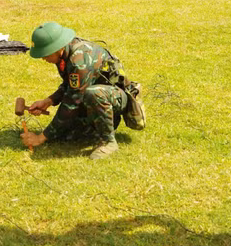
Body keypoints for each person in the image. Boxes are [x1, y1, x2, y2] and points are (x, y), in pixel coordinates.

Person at [20, 21, 144, 160]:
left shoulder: (79, 60)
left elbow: (72, 101)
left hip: (113, 99)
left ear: (58, 48)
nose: (43, 58)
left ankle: (108, 142)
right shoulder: (64, 54)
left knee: (94, 93)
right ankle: (94, 128)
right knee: (65, 136)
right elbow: (70, 85)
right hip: (92, 101)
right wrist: (48, 101)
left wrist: (41, 137)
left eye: (46, 53)